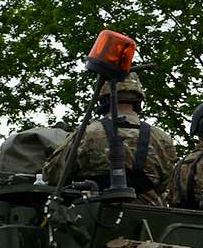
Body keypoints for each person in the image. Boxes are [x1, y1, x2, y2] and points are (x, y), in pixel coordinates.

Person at [42, 73, 175, 205]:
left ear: (104, 99)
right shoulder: (162, 139)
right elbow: (165, 184)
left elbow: (52, 174)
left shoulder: (87, 133)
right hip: (150, 219)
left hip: (95, 216)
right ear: (139, 100)